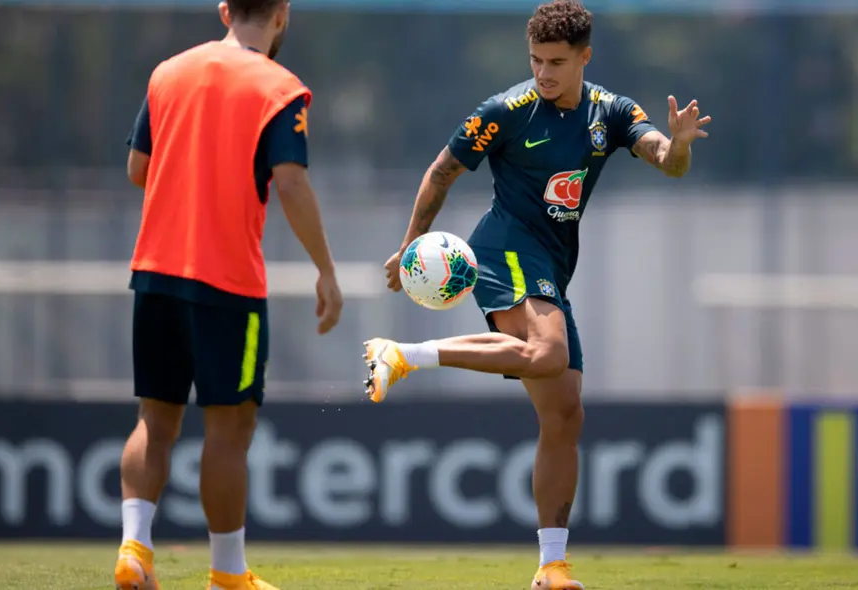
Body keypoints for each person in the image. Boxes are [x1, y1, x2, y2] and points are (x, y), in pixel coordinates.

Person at [362, 1, 710, 588]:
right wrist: (409, 244)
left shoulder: (613, 112)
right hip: (503, 250)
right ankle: (402, 355)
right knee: (547, 354)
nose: (543, 73)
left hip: (550, 265)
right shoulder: (506, 110)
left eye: (555, 62)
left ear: (585, 58)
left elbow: (666, 162)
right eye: (535, 60)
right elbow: (442, 170)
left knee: (565, 413)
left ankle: (552, 567)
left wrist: (678, 144)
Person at [116, 1, 343, 588]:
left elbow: (138, 169)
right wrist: (326, 270)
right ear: (282, 14)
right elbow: (290, 182)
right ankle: (227, 575)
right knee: (228, 430)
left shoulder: (168, 72)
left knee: (155, 420)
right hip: (226, 285)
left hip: (155, 272)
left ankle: (134, 549)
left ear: (223, 9)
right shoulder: (280, 87)